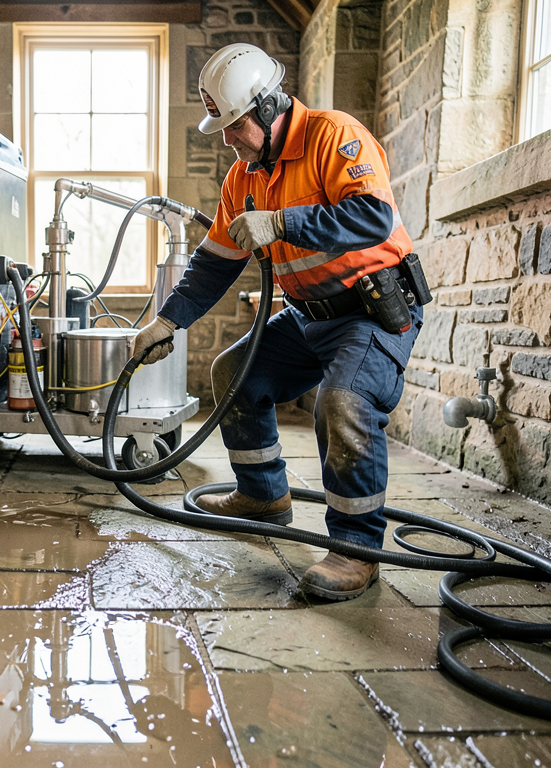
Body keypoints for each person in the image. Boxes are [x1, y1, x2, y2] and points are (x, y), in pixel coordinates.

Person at [134, 43, 426, 601]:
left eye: (233, 124)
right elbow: (213, 263)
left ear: (268, 109)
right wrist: (166, 322)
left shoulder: (333, 135)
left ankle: (356, 549)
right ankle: (264, 495)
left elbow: (372, 215)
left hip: (370, 311)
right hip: (307, 316)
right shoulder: (243, 177)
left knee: (342, 401)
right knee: (234, 373)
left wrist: (281, 222)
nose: (225, 138)